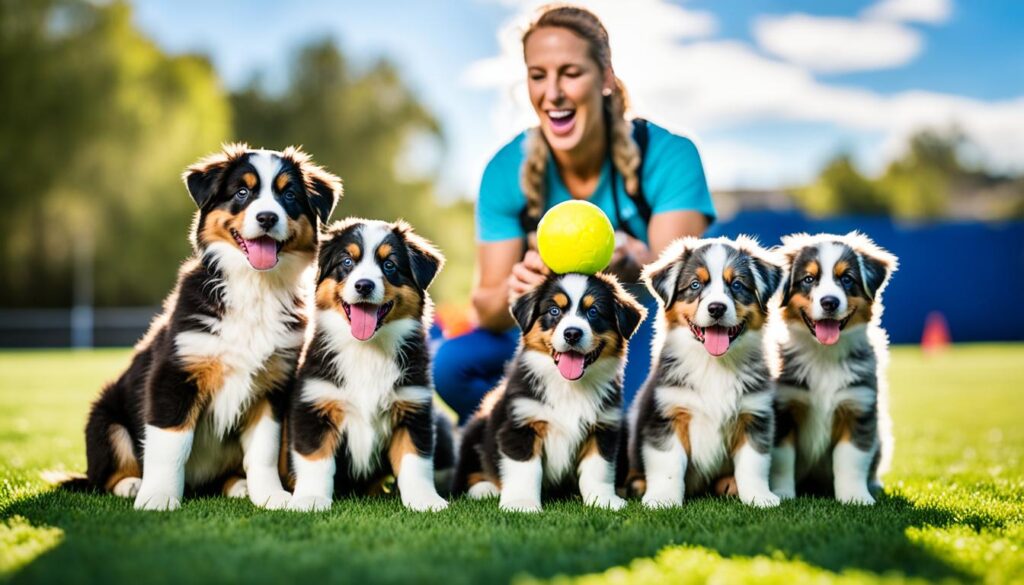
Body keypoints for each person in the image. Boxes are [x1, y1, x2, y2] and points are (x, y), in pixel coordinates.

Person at [433, 5, 715, 423]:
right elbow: (487, 308)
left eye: (571, 72)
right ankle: (528, 440)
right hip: (553, 331)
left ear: (605, 78)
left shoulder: (671, 156)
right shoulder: (505, 169)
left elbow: (684, 293)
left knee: (634, 413)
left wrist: (632, 262)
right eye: (538, 75)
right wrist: (519, 287)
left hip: (632, 333)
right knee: (454, 366)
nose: (553, 93)